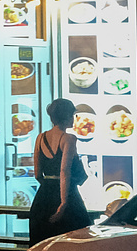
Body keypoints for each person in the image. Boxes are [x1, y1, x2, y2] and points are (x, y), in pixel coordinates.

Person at [29, 97, 92, 241]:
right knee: (75, 240)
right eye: (72, 115)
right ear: (66, 116)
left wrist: (48, 186)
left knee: (42, 242)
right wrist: (63, 203)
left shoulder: (40, 137)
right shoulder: (68, 139)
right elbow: (64, 171)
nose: (73, 119)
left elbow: (38, 173)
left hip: (43, 197)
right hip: (67, 195)